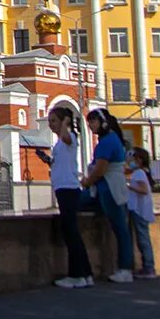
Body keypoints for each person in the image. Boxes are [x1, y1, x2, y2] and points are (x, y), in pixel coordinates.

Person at [79, 108, 134, 283]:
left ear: (102, 122)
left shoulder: (107, 141)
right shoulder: (110, 139)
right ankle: (123, 268)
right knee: (120, 228)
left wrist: (87, 182)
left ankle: (125, 268)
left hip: (109, 188)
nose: (90, 126)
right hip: (107, 188)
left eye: (93, 122)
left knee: (120, 229)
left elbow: (101, 169)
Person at [42, 106, 93, 289]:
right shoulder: (59, 144)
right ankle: (86, 274)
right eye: (50, 121)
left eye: (54, 120)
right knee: (72, 233)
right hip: (63, 188)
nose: (51, 124)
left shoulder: (70, 137)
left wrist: (65, 122)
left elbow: (66, 137)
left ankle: (77, 275)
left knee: (71, 233)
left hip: (68, 189)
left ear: (64, 121)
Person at [126, 146, 158, 278]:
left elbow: (143, 189)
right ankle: (147, 266)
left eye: (133, 158)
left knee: (143, 239)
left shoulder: (139, 173)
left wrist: (129, 186)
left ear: (139, 160)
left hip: (139, 210)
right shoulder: (141, 172)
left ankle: (149, 268)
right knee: (142, 238)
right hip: (139, 209)